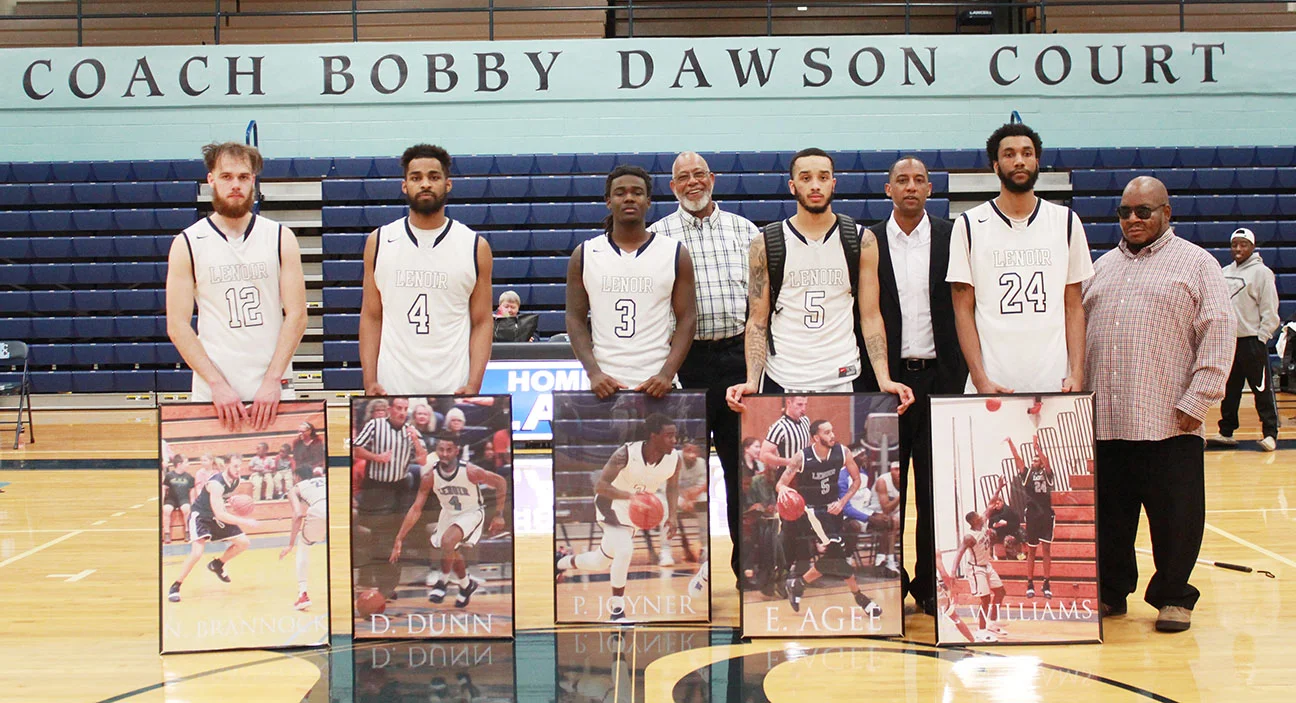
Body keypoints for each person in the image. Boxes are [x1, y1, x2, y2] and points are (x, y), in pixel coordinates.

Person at [1083, 176, 1234, 633]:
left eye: (1143, 211)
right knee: (1110, 520)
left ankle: (1174, 596)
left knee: (1176, 517)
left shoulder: (1197, 264)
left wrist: (1199, 398)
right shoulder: (1100, 267)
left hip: (1170, 419)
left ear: (1166, 213)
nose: (1132, 219)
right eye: (1125, 212)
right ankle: (1110, 592)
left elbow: (1219, 332)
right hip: (1106, 419)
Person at [860, 155, 968, 613]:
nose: (910, 187)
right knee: (887, 490)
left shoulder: (951, 235)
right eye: (900, 180)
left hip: (941, 377)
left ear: (929, 188)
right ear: (888, 190)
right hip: (887, 381)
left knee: (933, 488)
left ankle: (928, 584)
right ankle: (891, 579)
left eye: (918, 180)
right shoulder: (867, 241)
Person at [726, 148, 912, 409]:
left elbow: (870, 315)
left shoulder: (861, 240)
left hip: (843, 375)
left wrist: (884, 378)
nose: (815, 185)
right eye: (805, 178)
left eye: (823, 177)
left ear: (833, 183)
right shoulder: (765, 244)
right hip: (784, 376)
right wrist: (751, 382)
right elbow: (757, 320)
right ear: (792, 186)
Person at [649, 151, 760, 578]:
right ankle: (679, 566)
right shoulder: (658, 236)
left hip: (736, 361)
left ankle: (746, 566)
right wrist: (668, 371)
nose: (692, 182)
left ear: (712, 178)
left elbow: (759, 306)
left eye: (699, 174)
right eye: (683, 177)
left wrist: (754, 370)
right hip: (684, 364)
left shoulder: (744, 230)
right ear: (672, 186)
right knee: (679, 475)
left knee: (741, 472)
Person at [165, 142, 307, 432]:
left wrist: (272, 380)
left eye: (243, 177)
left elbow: (297, 315)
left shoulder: (280, 237)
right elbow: (177, 325)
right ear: (211, 180)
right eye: (227, 176)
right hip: (214, 390)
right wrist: (216, 384)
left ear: (253, 180)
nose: (235, 185)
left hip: (273, 388)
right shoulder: (187, 243)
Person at [947, 124, 1094, 395]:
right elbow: (962, 310)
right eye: (1009, 154)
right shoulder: (969, 225)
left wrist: (1077, 373)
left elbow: (1074, 307)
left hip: (1054, 384)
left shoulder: (1066, 222)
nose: (1019, 161)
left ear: (1037, 162)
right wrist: (980, 380)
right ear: (995, 165)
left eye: (1027, 153)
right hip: (993, 383)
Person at [360, 144, 494, 396]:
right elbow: (371, 316)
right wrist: (369, 381)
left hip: (453, 387)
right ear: (404, 185)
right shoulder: (379, 241)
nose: (425, 184)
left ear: (447, 184)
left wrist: (474, 384)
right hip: (392, 388)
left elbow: (482, 321)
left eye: (433, 177)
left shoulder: (475, 246)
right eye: (416, 178)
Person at [566, 165, 697, 400]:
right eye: (620, 193)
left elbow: (687, 319)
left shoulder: (674, 252)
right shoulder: (585, 253)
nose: (629, 198)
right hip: (604, 386)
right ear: (608, 201)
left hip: (658, 384)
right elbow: (575, 319)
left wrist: (667, 374)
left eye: (637, 192)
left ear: (648, 201)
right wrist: (593, 373)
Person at [555, 413, 683, 622]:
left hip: (635, 511)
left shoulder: (674, 459)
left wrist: (673, 516)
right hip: (610, 504)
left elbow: (673, 486)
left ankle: (561, 562)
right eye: (669, 435)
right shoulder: (625, 454)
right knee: (624, 550)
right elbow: (601, 486)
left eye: (675, 435)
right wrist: (632, 497)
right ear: (654, 436)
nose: (674, 440)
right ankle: (617, 611)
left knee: (600, 561)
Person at [389, 433, 508, 608]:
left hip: (472, 512)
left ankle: (442, 582)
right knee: (451, 549)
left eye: (449, 450)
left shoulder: (470, 471)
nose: (444, 454)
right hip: (449, 514)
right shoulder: (430, 476)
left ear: (456, 451)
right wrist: (399, 537)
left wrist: (499, 514)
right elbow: (416, 508)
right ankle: (466, 585)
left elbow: (501, 482)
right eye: (441, 450)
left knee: (447, 542)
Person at [777, 419, 882, 616]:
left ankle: (798, 585)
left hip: (835, 510)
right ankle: (862, 600)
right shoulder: (802, 457)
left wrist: (842, 502)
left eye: (832, 431)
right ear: (816, 437)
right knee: (836, 552)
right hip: (813, 513)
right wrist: (783, 492)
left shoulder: (842, 452)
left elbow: (857, 480)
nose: (832, 435)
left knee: (834, 557)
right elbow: (781, 483)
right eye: (827, 432)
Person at [353, 397, 430, 599]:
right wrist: (376, 457)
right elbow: (356, 448)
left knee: (395, 540)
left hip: (398, 490)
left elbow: (423, 459)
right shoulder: (375, 424)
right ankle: (366, 582)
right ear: (390, 409)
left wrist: (414, 439)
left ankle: (387, 588)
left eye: (405, 409)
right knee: (371, 537)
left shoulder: (411, 431)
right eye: (398, 408)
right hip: (375, 489)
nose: (402, 412)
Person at [1214, 227, 1281, 451]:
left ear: (1252, 247)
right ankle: (1226, 431)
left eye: (1243, 244)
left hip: (1252, 341)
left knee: (1261, 390)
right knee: (1229, 391)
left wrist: (1262, 337)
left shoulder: (1262, 273)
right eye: (1235, 245)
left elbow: (1270, 310)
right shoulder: (1223, 272)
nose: (1238, 249)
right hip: (1229, 342)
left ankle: (1270, 433)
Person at [167, 452, 258, 602]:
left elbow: (222, 501)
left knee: (244, 543)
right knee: (197, 553)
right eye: (235, 466)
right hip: (201, 516)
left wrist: (233, 500)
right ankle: (175, 586)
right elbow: (221, 514)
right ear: (227, 465)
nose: (238, 469)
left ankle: (218, 564)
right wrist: (246, 521)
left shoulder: (236, 480)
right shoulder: (215, 484)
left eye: (239, 466)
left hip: (214, 515)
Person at [951, 484, 1009, 642]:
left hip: (987, 566)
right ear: (973, 521)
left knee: (1000, 592)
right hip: (976, 569)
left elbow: (990, 505)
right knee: (985, 600)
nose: (981, 515)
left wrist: (998, 489)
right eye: (978, 515)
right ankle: (981, 630)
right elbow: (959, 553)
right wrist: (953, 573)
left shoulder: (982, 523)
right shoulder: (969, 537)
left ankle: (992, 623)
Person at [1007, 436, 1054, 599]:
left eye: (1036, 459)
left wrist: (1037, 449)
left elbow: (1047, 463)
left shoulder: (1047, 473)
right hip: (1032, 515)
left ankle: (1046, 583)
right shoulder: (1027, 475)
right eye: (1033, 459)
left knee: (1047, 550)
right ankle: (1030, 583)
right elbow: (1018, 459)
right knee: (1032, 550)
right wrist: (1010, 443)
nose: (1034, 460)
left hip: (1046, 514)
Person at [279, 464, 328, 611]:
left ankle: (303, 594)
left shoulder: (296, 488)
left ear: (298, 477)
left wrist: (290, 544)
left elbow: (298, 514)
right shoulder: (325, 480)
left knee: (304, 543)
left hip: (319, 510)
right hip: (339, 509)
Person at [865, 460, 901, 577]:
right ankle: (890, 560)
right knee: (892, 522)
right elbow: (886, 509)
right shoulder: (883, 481)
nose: (899, 472)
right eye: (896, 470)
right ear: (891, 471)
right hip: (877, 513)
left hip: (895, 513)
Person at [161, 455, 195, 545]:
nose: (188, 464)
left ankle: (187, 532)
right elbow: (164, 488)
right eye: (186, 462)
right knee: (166, 509)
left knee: (186, 508)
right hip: (171, 499)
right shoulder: (169, 476)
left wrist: (192, 502)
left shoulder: (189, 477)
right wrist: (162, 501)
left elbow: (192, 491)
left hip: (183, 498)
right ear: (179, 464)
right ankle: (167, 533)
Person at [985, 495, 1024, 560]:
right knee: (989, 533)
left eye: (997, 503)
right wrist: (994, 526)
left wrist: (1006, 523)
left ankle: (1013, 559)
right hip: (999, 534)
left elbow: (1016, 525)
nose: (996, 506)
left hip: (1011, 533)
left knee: (1008, 539)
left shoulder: (1010, 511)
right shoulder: (993, 512)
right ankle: (989, 557)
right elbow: (990, 526)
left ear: (1002, 502)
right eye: (994, 504)